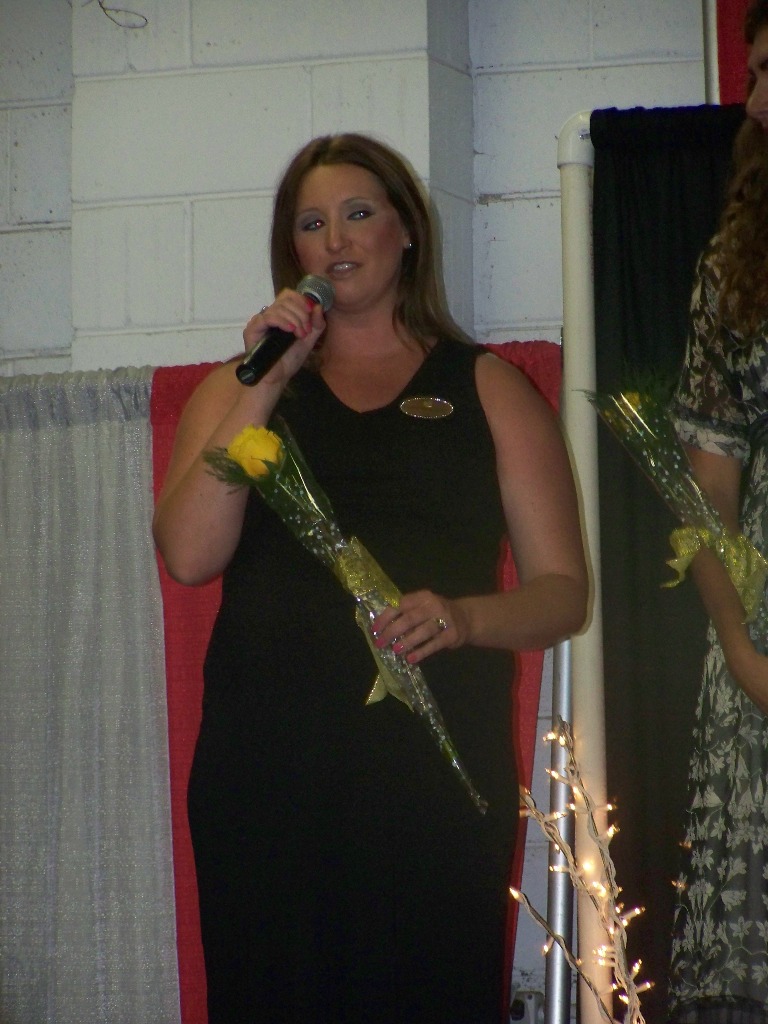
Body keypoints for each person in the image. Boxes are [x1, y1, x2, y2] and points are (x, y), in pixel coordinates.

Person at [153, 132, 588, 1024]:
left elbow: (563, 595)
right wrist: (266, 381)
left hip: (427, 773)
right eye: (311, 224)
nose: (337, 239)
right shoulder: (241, 388)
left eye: (358, 213)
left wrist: (464, 619)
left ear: (407, 230)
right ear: (292, 251)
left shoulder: (487, 386)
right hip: (267, 773)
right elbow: (188, 555)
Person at [668, 4, 768, 1021]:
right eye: (754, 75)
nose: (759, 100)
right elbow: (707, 480)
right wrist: (741, 648)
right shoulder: (734, 263)